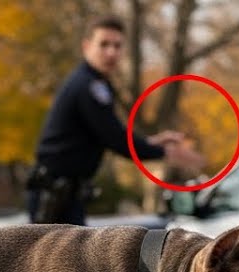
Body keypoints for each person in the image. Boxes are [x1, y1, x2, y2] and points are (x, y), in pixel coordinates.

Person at [27, 15, 204, 224]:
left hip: (66, 195)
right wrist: (167, 152)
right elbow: (116, 140)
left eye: (117, 46)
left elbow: (113, 134)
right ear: (86, 47)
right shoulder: (88, 86)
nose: (111, 52)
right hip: (54, 197)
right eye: (104, 45)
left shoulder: (97, 84)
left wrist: (152, 142)